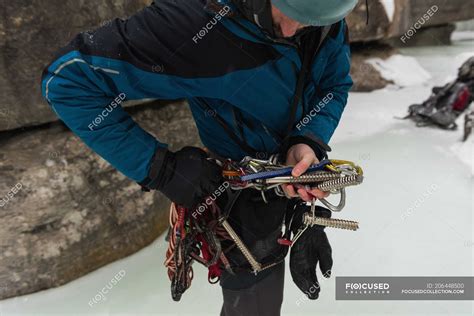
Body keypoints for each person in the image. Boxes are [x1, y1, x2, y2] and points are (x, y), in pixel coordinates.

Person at [41, 0, 355, 314]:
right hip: (233, 196)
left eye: (307, 22)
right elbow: (67, 80)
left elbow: (333, 83)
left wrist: (306, 141)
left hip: (281, 185)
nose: (290, 31)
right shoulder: (192, 25)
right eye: (287, 13)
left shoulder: (327, 15)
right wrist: (161, 168)